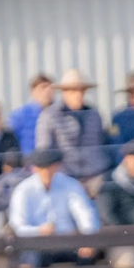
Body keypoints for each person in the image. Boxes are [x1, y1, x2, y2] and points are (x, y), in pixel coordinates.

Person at [8, 149, 100, 268]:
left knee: (85, 251)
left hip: (66, 241)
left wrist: (87, 237)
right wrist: (39, 231)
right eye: (42, 168)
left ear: (56, 167)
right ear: (35, 169)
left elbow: (85, 213)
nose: (46, 172)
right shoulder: (24, 190)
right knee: (39, 254)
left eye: (50, 167)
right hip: (36, 244)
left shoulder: (69, 185)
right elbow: (18, 226)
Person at [35, 69, 109, 198]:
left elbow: (102, 143)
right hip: (65, 176)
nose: (78, 95)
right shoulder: (49, 115)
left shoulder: (94, 114)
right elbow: (44, 151)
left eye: (81, 90)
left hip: (96, 176)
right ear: (64, 92)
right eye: (73, 90)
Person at [8, 73, 53, 156]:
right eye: (43, 87)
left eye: (50, 88)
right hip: (27, 163)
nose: (47, 91)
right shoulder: (20, 115)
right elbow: (11, 142)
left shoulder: (60, 113)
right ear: (33, 91)